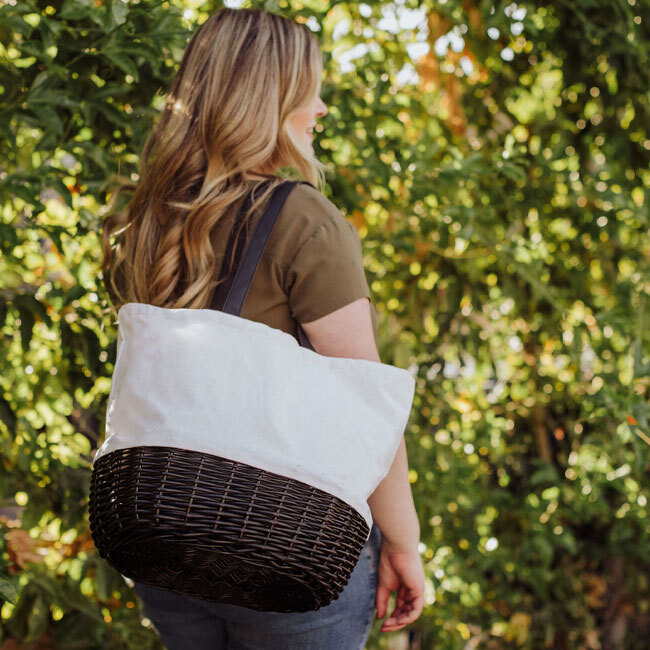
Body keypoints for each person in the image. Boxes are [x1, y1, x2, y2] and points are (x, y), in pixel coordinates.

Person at [101, 7, 424, 649]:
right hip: (280, 544)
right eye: (311, 91)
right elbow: (367, 413)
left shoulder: (145, 213)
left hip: (160, 533)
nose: (322, 109)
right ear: (270, 99)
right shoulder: (301, 219)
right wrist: (404, 543)